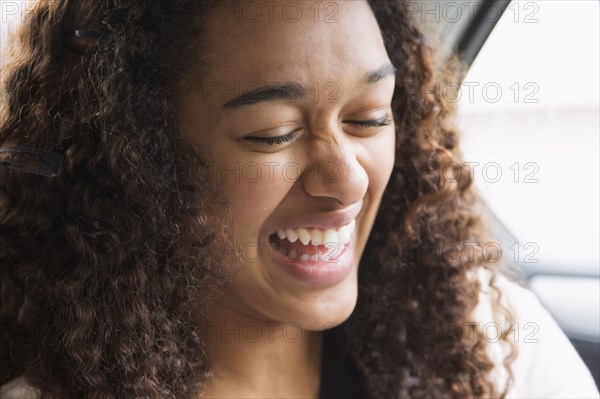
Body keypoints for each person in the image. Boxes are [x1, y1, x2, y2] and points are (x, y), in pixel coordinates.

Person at [0, 1, 598, 398]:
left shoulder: (488, 339)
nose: (348, 181)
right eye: (274, 134)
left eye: (368, 119)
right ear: (136, 159)